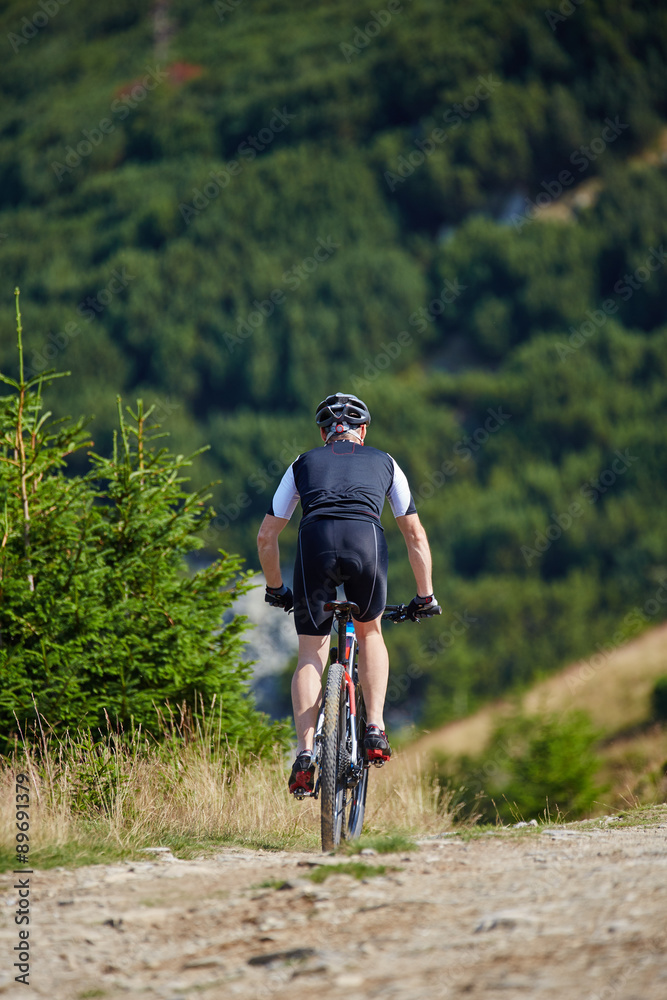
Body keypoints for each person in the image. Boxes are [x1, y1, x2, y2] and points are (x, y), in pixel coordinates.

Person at [256, 392, 440, 795]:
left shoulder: (301, 463)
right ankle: (374, 728)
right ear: (364, 430)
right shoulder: (386, 462)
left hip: (315, 544)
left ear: (324, 433)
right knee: (370, 631)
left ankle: (305, 753)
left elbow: (267, 536)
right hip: (366, 542)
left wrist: (275, 589)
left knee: (310, 652)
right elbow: (415, 535)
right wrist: (425, 596)